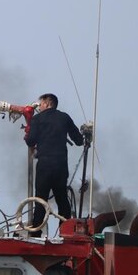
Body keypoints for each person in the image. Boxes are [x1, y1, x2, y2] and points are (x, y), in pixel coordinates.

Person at [24, 93, 83, 237]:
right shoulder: (64, 117)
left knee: (40, 200)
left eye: (41, 103)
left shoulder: (37, 119)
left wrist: (28, 136)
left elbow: (31, 141)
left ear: (47, 103)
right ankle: (66, 233)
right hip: (61, 166)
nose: (39, 106)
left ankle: (35, 234)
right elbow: (78, 140)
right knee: (62, 199)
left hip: (44, 165)